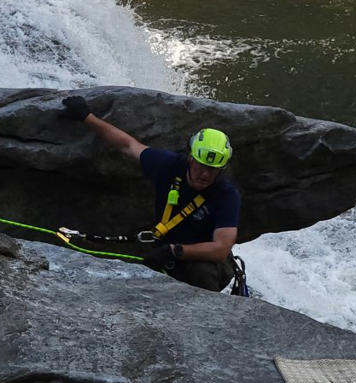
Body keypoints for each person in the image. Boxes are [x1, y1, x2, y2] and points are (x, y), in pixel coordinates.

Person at [60, 95, 240, 292]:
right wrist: (86, 116)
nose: (205, 174)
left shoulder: (226, 196)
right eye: (202, 165)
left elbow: (220, 249)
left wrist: (175, 251)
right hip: (165, 251)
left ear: (221, 170)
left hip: (203, 263)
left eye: (212, 169)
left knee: (201, 272)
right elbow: (128, 145)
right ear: (191, 158)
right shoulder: (169, 166)